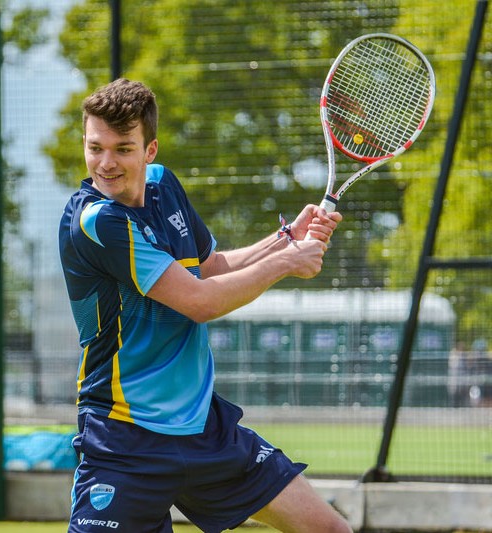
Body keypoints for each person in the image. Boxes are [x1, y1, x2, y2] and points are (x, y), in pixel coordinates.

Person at [58, 78, 351, 533]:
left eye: (123, 148)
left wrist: (284, 240)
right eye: (95, 148)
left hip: (203, 427)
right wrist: (287, 264)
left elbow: (209, 266)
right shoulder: (96, 222)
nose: (106, 163)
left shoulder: (163, 185)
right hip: (124, 439)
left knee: (329, 529)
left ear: (150, 150)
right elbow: (199, 301)